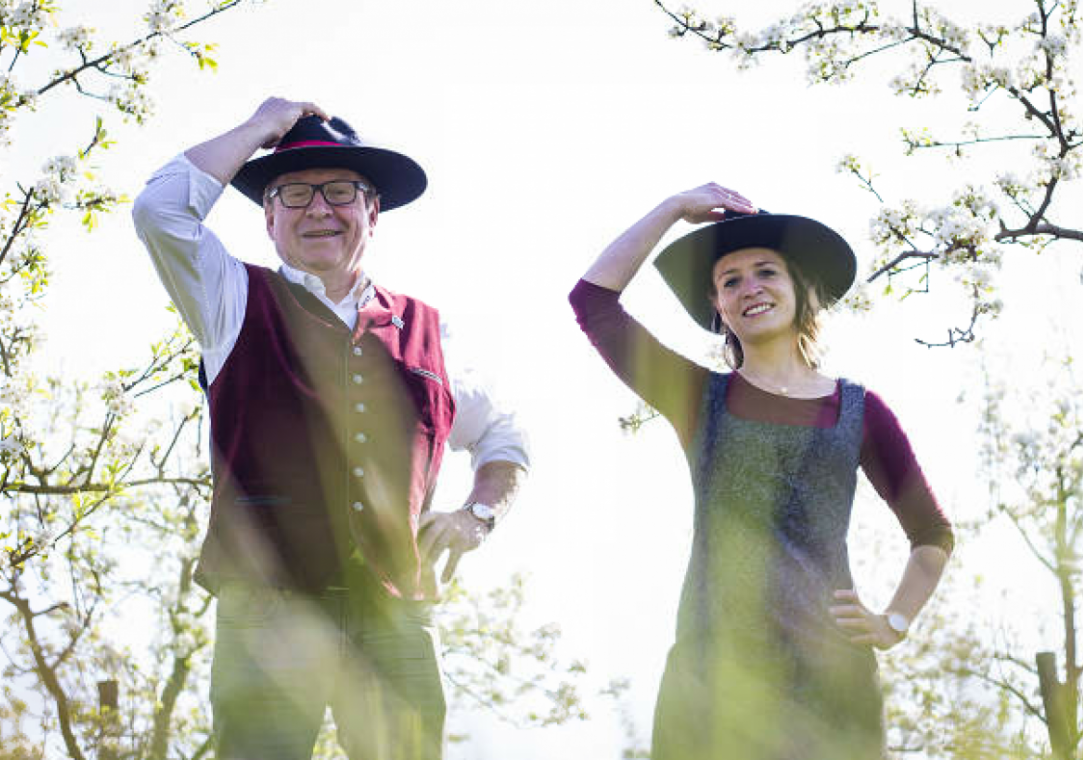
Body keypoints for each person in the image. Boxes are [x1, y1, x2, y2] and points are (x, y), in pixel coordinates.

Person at [132, 97, 529, 760]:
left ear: (372, 211)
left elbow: (505, 438)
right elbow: (159, 211)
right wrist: (261, 126)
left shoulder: (431, 332)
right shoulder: (231, 299)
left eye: (341, 191)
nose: (319, 208)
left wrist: (478, 516)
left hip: (396, 616)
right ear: (268, 217)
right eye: (294, 193)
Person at [569, 183, 953, 759]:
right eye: (730, 281)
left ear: (800, 289)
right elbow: (592, 301)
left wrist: (893, 620)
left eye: (766, 272)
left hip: (830, 691)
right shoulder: (697, 397)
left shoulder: (858, 411)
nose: (750, 288)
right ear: (718, 308)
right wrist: (674, 208)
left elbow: (932, 535)